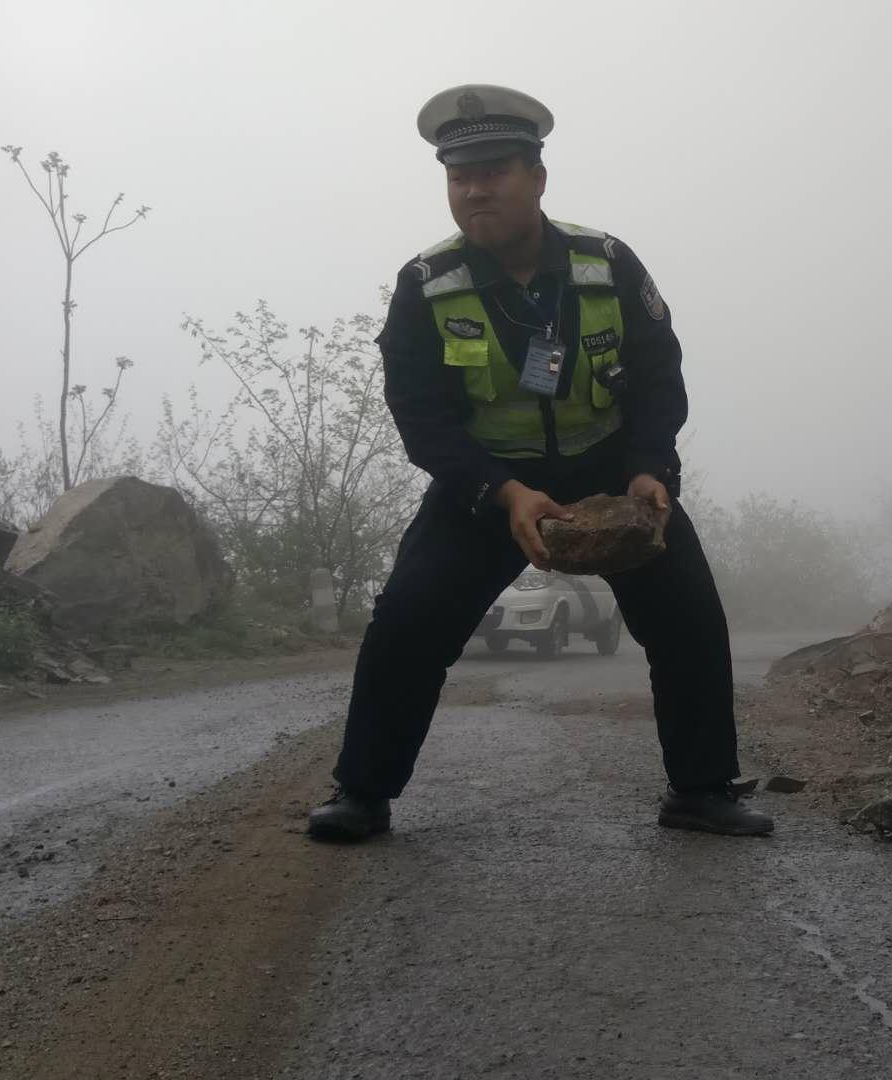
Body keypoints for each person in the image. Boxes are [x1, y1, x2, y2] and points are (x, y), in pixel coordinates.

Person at [306, 84, 771, 842]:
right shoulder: (424, 286)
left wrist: (653, 471)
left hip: (611, 472)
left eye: (494, 170)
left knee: (688, 617)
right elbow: (419, 417)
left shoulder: (607, 262)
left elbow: (659, 375)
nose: (475, 189)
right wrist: (503, 491)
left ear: (538, 177)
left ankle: (702, 789)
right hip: (488, 485)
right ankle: (362, 793)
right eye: (460, 176)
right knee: (407, 622)